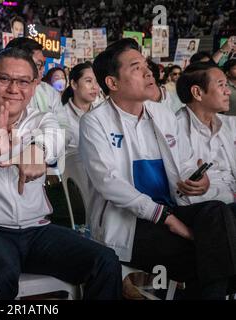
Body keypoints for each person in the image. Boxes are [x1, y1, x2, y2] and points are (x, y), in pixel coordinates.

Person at [0, 47, 122, 300]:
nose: (13, 88)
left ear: (35, 84)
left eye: (23, 81)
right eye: (4, 79)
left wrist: (36, 151)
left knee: (104, 261)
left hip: (37, 229)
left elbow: (54, 139)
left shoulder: (42, 119)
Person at [81, 38, 236, 299]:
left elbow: (185, 162)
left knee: (220, 213)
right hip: (133, 225)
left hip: (173, 209)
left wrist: (199, 181)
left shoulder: (161, 113)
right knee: (210, 252)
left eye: (145, 64)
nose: (147, 71)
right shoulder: (94, 122)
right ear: (112, 83)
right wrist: (165, 217)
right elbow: (109, 183)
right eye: (135, 67)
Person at [0, 37, 72, 146]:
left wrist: (40, 148)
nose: (42, 70)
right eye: (38, 64)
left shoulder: (49, 91)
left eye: (42, 65)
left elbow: (64, 130)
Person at [176, 62, 236, 208]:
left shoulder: (230, 124)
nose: (228, 91)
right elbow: (185, 193)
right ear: (197, 92)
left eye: (226, 85)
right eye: (221, 85)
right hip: (212, 210)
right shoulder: (174, 130)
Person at [61, 62, 99, 151]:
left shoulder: (102, 113)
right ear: (74, 84)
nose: (95, 87)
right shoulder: (62, 116)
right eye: (88, 81)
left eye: (96, 82)